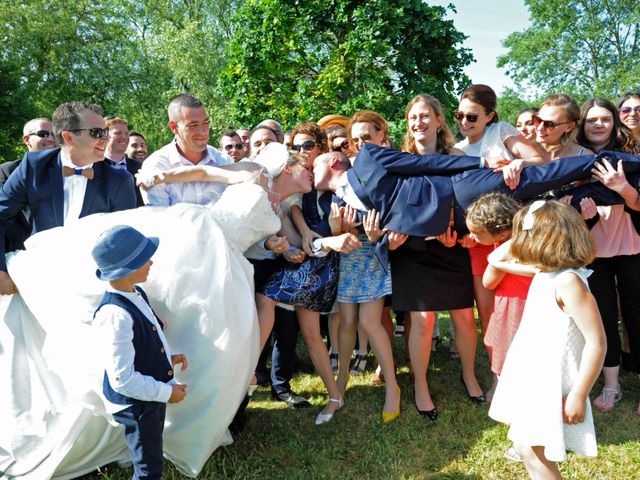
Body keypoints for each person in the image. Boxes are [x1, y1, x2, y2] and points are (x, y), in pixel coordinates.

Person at [0, 156, 298, 477]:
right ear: (286, 166)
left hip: (226, 265)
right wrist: (159, 178)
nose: (308, 168)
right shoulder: (251, 171)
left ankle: (194, 415)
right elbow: (203, 172)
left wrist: (271, 242)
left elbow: (254, 238)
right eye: (303, 163)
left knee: (202, 343)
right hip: (200, 247)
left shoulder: (289, 205)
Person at [489, 200, 606, 480]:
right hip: (532, 372)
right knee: (523, 444)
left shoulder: (568, 282)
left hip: (551, 381)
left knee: (532, 450)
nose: (518, 242)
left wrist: (579, 393)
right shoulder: (544, 273)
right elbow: (495, 260)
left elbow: (597, 342)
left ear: (542, 240)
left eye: (523, 235)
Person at [393, 94, 483, 418]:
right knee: (424, 319)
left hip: (451, 247)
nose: (419, 122)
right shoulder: (400, 160)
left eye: (425, 116)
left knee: (462, 315)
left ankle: (470, 374)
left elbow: (469, 203)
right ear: (408, 123)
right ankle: (420, 384)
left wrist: (461, 237)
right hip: (412, 251)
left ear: (439, 120)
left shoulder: (456, 156)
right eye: (413, 117)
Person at [0, 101, 136, 295]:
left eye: (105, 132)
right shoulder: (33, 167)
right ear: (68, 137)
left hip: (94, 280)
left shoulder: (120, 180)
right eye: (97, 133)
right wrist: (1, 271)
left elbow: (126, 243)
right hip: (38, 273)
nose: (105, 139)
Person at [91, 225, 188, 480]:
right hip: (137, 404)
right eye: (144, 258)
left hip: (147, 396)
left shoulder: (136, 292)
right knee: (148, 468)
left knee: (151, 450)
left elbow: (145, 341)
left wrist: (168, 359)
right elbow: (122, 379)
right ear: (127, 269)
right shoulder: (114, 315)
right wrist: (167, 392)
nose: (151, 261)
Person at [331, 110, 400, 422]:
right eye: (355, 139)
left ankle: (393, 388)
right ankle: (340, 384)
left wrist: (378, 234)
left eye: (366, 137)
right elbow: (336, 228)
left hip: (376, 255)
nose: (360, 144)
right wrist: (340, 230)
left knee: (371, 322)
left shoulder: (392, 170)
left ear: (381, 135)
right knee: (346, 323)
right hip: (349, 256)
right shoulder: (346, 177)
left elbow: (400, 219)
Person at [574, 97, 640, 415]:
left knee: (637, 316)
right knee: (602, 318)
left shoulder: (630, 157)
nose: (598, 125)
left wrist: (622, 187)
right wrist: (584, 214)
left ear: (614, 122)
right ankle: (611, 385)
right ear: (582, 125)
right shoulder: (573, 159)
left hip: (631, 246)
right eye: (591, 120)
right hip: (593, 250)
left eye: (604, 119)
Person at [465, 193, 533, 404]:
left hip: (518, 305)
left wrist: (496, 262)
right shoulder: (517, 238)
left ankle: (511, 390)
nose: (471, 237)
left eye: (476, 233)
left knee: (511, 347)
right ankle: (502, 382)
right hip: (512, 302)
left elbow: (489, 282)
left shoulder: (506, 249)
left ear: (502, 233)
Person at [139, 93, 232, 206]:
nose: (203, 131)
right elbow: (161, 218)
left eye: (205, 123)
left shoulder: (224, 161)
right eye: (193, 125)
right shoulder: (156, 166)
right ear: (174, 127)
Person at [104, 116, 144, 206]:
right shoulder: (94, 166)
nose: (124, 137)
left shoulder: (140, 168)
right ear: (105, 136)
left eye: (126, 133)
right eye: (118, 133)